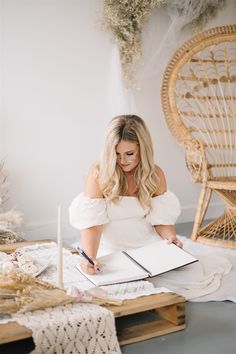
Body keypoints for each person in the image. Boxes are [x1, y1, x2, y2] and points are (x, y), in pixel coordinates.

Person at [69, 114, 182, 275]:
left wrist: (171, 238)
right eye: (116, 154)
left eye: (129, 154)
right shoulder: (98, 175)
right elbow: (93, 226)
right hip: (110, 250)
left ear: (143, 150)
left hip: (148, 246)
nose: (122, 160)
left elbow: (161, 221)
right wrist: (90, 257)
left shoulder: (155, 175)